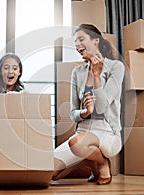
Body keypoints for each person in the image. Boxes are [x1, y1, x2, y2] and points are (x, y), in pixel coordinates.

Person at [53, 24, 125, 185]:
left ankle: (102, 162)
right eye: (75, 42)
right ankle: (88, 160)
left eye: (81, 39)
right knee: (50, 174)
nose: (77, 45)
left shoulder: (116, 67)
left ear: (95, 41)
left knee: (76, 144)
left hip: (106, 133)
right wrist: (85, 112)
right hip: (82, 132)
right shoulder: (77, 72)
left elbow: (102, 107)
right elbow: (73, 113)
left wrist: (97, 75)